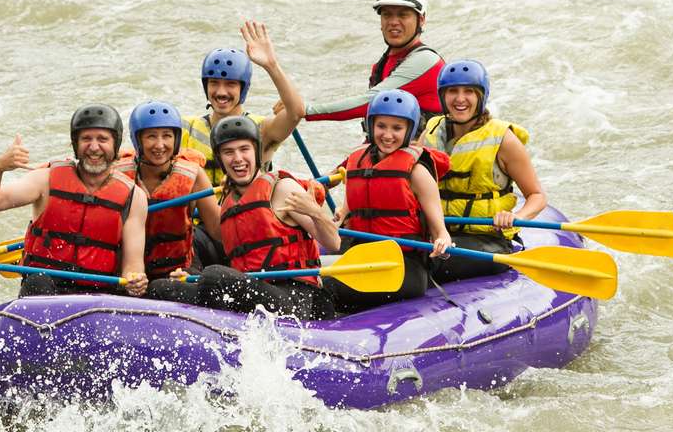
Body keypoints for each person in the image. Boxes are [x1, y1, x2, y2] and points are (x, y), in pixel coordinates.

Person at [148, 116, 339, 320]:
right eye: (228, 152)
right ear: (221, 159)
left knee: (214, 276)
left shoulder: (281, 188)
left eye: (244, 149)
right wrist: (191, 279)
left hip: (295, 298)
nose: (237, 158)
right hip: (253, 292)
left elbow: (334, 242)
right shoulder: (229, 203)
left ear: (256, 152)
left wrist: (316, 212)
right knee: (161, 288)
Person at [0, 104, 149, 298]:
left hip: (99, 296)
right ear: (75, 144)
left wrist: (135, 282)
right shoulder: (45, 180)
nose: (94, 147)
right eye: (86, 139)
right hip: (44, 290)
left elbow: (133, 266)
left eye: (102, 139)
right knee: (38, 281)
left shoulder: (134, 197)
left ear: (115, 144)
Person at [325, 89, 452, 313]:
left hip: (403, 265)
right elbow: (353, 201)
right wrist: (342, 212)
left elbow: (440, 231)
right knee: (308, 277)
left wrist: (442, 241)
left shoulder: (418, 172)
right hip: (363, 254)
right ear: (371, 125)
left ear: (409, 130)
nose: (387, 135)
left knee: (326, 288)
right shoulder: (358, 160)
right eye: (381, 126)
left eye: (397, 128)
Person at [421, 60, 547, 281]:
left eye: (469, 91)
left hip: (486, 239)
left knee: (429, 260)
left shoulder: (504, 140)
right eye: (452, 91)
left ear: (481, 96)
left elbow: (537, 196)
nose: (460, 99)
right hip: (439, 232)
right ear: (443, 96)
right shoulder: (431, 132)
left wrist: (515, 217)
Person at [302, 0, 445, 130]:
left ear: (421, 20)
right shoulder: (383, 63)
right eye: (387, 15)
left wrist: (306, 110)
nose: (393, 22)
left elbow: (371, 102)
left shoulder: (425, 61)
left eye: (403, 15)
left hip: (422, 151)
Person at [181, 20, 306, 185]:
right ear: (206, 86)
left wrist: (271, 65)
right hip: (203, 210)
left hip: (248, 209)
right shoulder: (186, 128)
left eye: (230, 84)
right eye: (214, 83)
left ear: (243, 88)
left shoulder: (262, 130)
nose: (221, 92)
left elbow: (296, 113)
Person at [113, 100, 221, 279]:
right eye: (151, 136)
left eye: (167, 136)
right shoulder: (118, 174)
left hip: (180, 270)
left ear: (176, 139)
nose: (160, 145)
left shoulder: (193, 175)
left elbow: (218, 230)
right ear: (137, 140)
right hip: (130, 271)